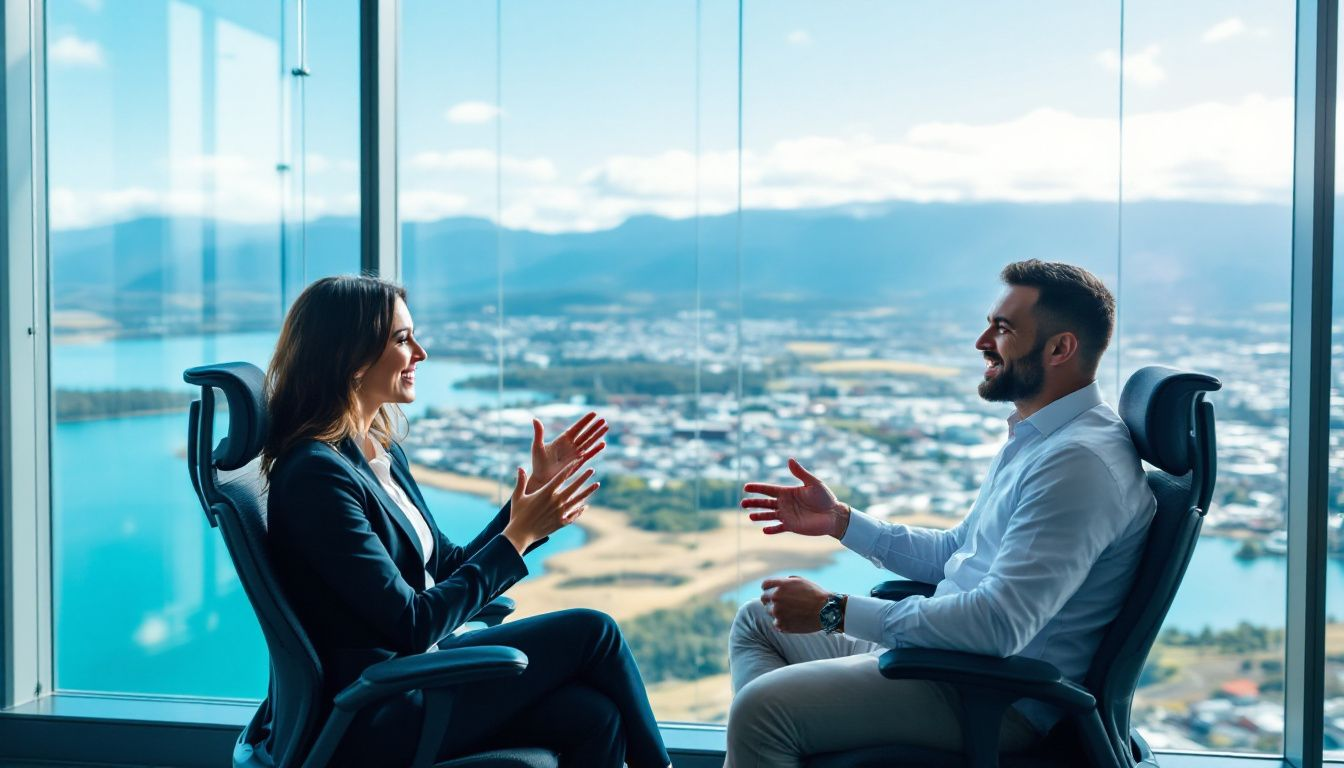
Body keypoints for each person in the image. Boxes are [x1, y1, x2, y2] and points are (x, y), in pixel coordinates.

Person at [725, 260, 1156, 766]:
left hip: (990, 697)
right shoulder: (1043, 436)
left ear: (1060, 348)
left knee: (761, 710)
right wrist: (841, 522)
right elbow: (959, 552)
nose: (981, 341)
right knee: (759, 620)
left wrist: (834, 611)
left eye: (1003, 328)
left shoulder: (1078, 463)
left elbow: (998, 625)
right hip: (945, 660)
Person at [263, 275, 671, 768]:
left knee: (594, 716)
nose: (421, 353)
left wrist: (526, 513)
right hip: (380, 711)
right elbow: (413, 624)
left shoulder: (374, 450)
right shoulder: (315, 477)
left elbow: (447, 565)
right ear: (349, 356)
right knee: (594, 631)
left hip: (419, 676)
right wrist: (517, 537)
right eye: (401, 339)